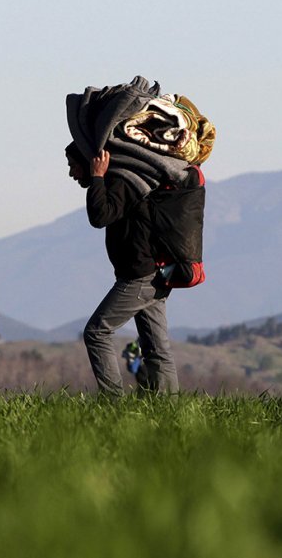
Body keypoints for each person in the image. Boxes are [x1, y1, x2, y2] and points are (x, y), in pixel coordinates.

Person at [66, 143, 178, 396]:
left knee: (97, 332)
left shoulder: (122, 182)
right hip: (156, 274)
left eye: (73, 166)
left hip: (140, 276)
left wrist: (97, 177)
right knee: (156, 348)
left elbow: (100, 216)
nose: (72, 173)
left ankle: (113, 402)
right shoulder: (128, 181)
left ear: (91, 162)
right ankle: (171, 409)